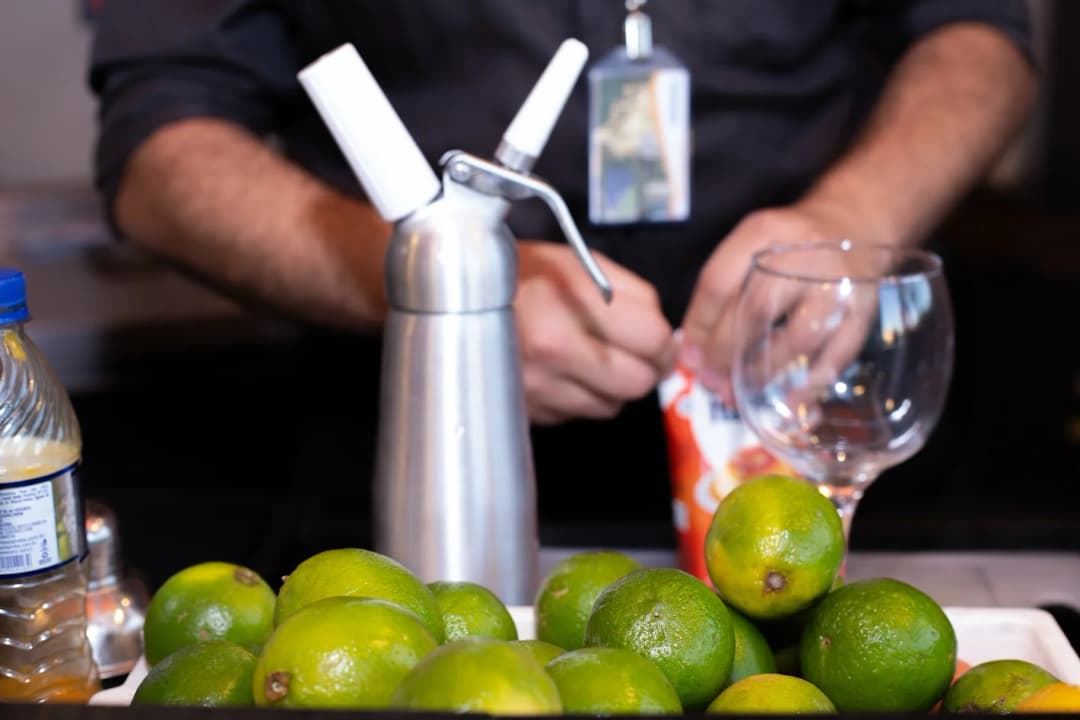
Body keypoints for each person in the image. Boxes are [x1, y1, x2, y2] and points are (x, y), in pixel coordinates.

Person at [88, 2, 1035, 552]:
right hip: (413, 444)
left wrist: (854, 218)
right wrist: (440, 288)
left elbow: (981, 32)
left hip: (823, 419)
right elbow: (162, 142)